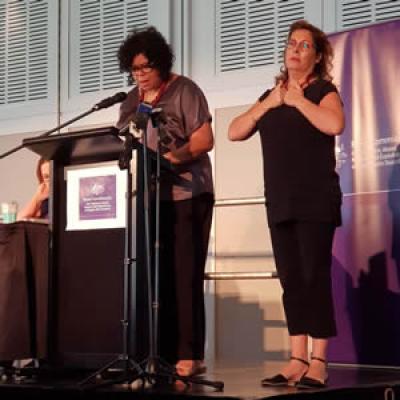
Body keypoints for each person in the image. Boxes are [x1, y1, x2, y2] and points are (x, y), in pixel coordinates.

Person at [228, 20, 345, 389]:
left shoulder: (323, 90)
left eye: (304, 45)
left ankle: (319, 360)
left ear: (317, 55)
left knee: (314, 277)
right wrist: (271, 103)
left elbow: (334, 124)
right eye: (291, 43)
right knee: (292, 281)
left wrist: (297, 100)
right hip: (280, 201)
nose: (295, 50)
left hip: (315, 200)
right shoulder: (272, 95)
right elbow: (235, 131)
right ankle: (296, 359)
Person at [116, 27, 214, 377]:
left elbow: (204, 140)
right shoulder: (132, 99)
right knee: (156, 277)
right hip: (149, 198)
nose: (139, 75)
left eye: (144, 67)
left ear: (161, 62)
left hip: (188, 193)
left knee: (184, 273)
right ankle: (159, 351)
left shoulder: (184, 90)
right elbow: (123, 141)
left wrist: (172, 159)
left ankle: (191, 354)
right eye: (133, 69)